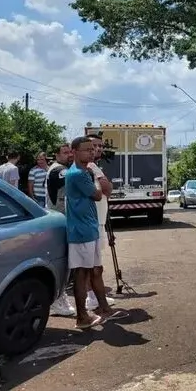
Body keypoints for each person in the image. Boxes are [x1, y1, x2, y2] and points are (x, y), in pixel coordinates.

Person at [65, 136, 127, 328]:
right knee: (82, 274)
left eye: (92, 149)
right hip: (81, 231)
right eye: (86, 149)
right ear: (74, 152)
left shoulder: (85, 172)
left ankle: (104, 309)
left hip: (90, 228)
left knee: (96, 270)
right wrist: (95, 179)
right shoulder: (77, 174)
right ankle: (82, 317)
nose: (91, 152)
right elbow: (99, 194)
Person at [85, 133, 116, 311]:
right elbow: (107, 189)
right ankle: (92, 299)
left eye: (100, 146)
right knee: (92, 265)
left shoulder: (94, 166)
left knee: (95, 263)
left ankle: (94, 297)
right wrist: (107, 185)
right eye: (94, 146)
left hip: (97, 222)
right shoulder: (90, 166)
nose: (98, 149)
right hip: (92, 222)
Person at [47, 142, 77, 317]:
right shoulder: (59, 170)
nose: (68, 155)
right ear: (57, 155)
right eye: (65, 152)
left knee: (68, 261)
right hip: (59, 220)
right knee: (63, 261)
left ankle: (60, 296)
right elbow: (75, 177)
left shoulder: (60, 169)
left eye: (69, 152)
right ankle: (58, 300)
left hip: (63, 220)